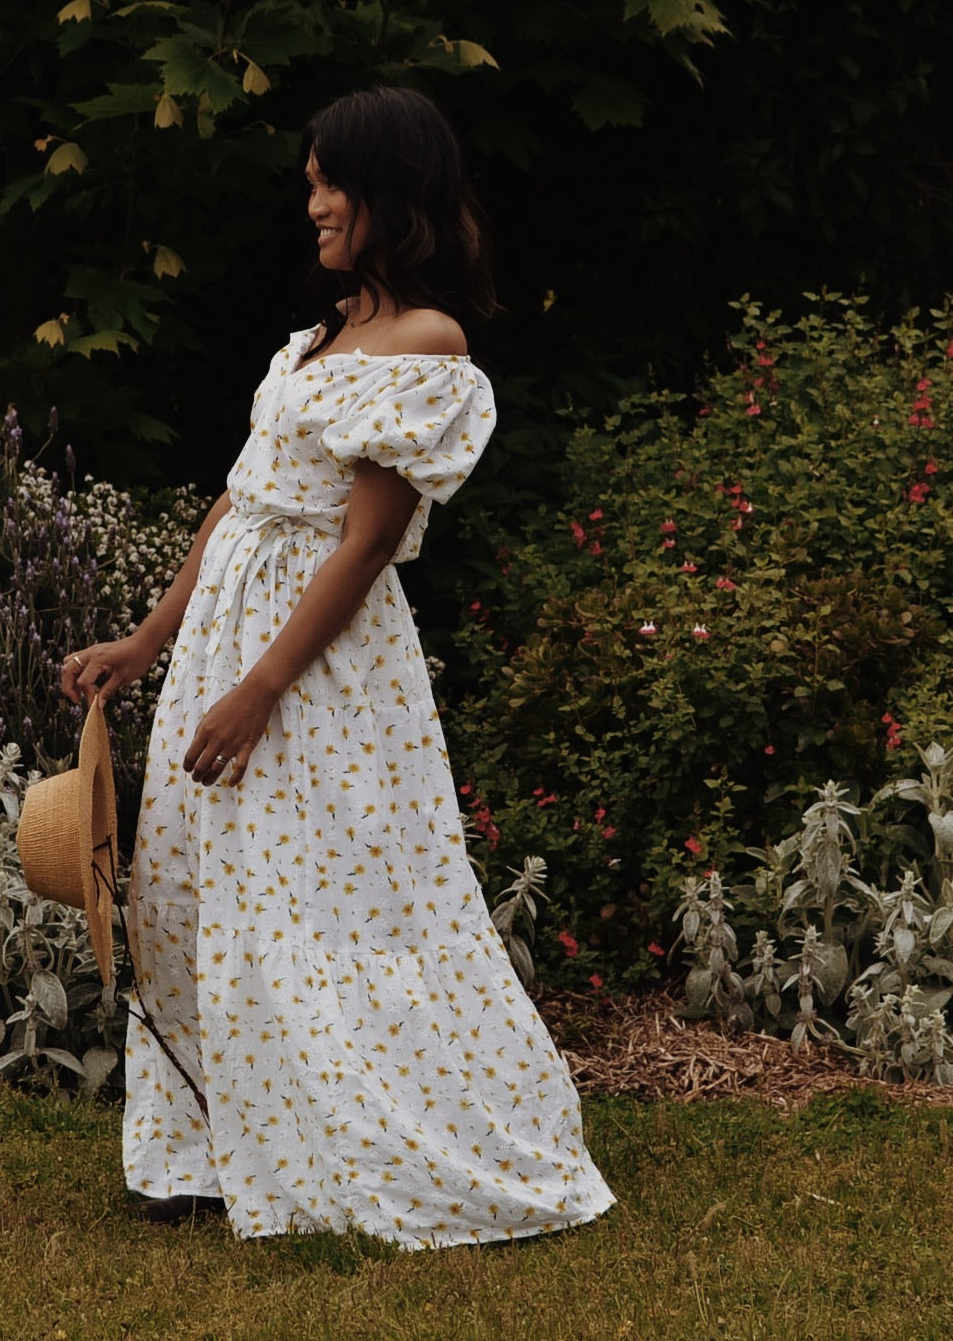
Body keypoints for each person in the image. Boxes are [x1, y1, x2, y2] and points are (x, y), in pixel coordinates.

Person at [62, 84, 614, 1248]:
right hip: (226, 637)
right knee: (193, 887)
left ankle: (368, 1145)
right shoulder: (315, 341)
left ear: (388, 192)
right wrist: (150, 640)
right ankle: (213, 1145)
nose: (309, 202)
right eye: (308, 180)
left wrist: (262, 688)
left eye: (328, 181)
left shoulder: (426, 344)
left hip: (314, 668)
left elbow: (363, 545)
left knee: (330, 901)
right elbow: (239, 501)